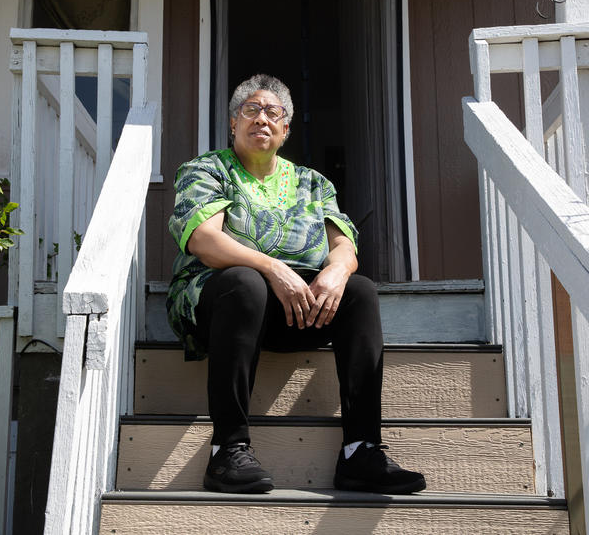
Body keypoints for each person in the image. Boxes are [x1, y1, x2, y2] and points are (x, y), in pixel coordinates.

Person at [167, 74, 426, 495]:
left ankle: (361, 451)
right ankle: (226, 451)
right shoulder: (206, 169)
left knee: (359, 291)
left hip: (293, 311)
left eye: (274, 112)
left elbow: (343, 245)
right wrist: (272, 268)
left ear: (286, 129)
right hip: (221, 304)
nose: (262, 119)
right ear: (233, 123)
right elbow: (206, 241)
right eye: (251, 110)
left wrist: (337, 271)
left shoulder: (312, 183)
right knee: (245, 281)